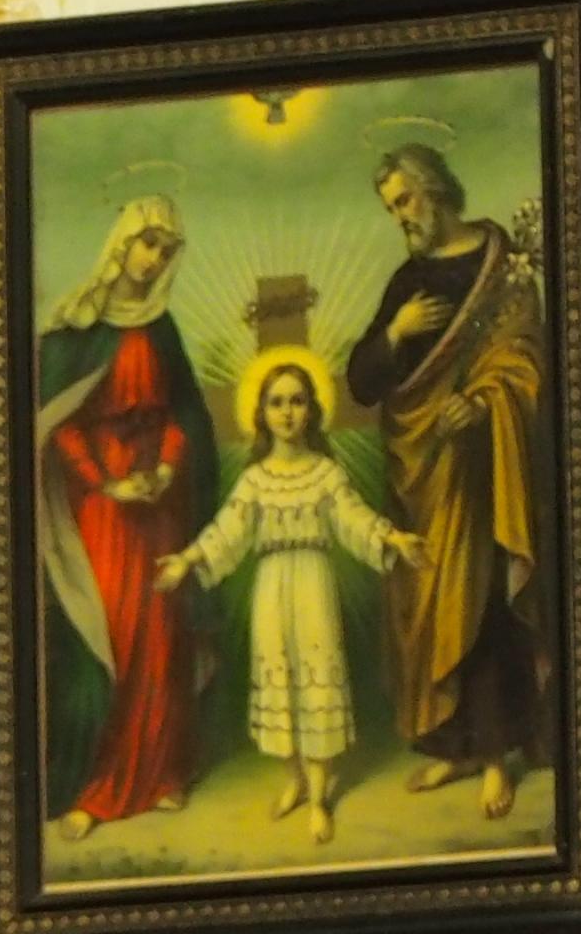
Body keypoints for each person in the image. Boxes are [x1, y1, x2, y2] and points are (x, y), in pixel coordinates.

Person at [344, 140, 551, 820]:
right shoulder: (408, 283)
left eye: (404, 200)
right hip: (420, 471)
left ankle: (496, 759)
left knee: (484, 607)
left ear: (434, 188)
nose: (400, 216)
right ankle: (457, 749)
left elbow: (526, 358)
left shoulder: (504, 264)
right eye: (390, 207)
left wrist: (485, 402)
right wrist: (395, 334)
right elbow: (363, 382)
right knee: (432, 613)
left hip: (485, 467)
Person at [157, 361, 422, 842]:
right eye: (276, 402)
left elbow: (355, 518)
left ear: (312, 410)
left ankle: (319, 798)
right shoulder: (255, 479)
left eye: (297, 401)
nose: (286, 413)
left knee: (316, 684)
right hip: (270, 591)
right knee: (279, 683)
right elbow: (225, 531)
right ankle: (295, 781)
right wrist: (186, 560)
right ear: (261, 412)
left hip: (313, 588)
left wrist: (394, 538)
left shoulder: (325, 473)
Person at [34, 194, 220, 842]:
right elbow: (57, 423)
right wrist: (105, 482)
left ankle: (163, 772)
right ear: (122, 243)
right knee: (110, 634)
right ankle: (97, 787)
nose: (154, 259)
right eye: (148, 244)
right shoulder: (77, 327)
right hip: (100, 504)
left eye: (166, 251)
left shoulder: (161, 328)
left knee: (162, 637)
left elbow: (183, 414)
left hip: (157, 500)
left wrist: (165, 470)